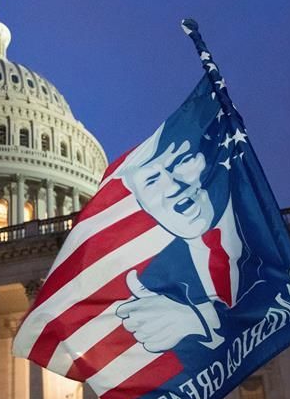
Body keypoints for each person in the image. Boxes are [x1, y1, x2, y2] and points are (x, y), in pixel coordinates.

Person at [108, 116, 263, 354]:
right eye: (151, 181)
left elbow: (274, 295)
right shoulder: (152, 278)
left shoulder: (258, 230)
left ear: (206, 159)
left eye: (182, 161)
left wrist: (200, 319)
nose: (172, 187)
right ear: (141, 203)